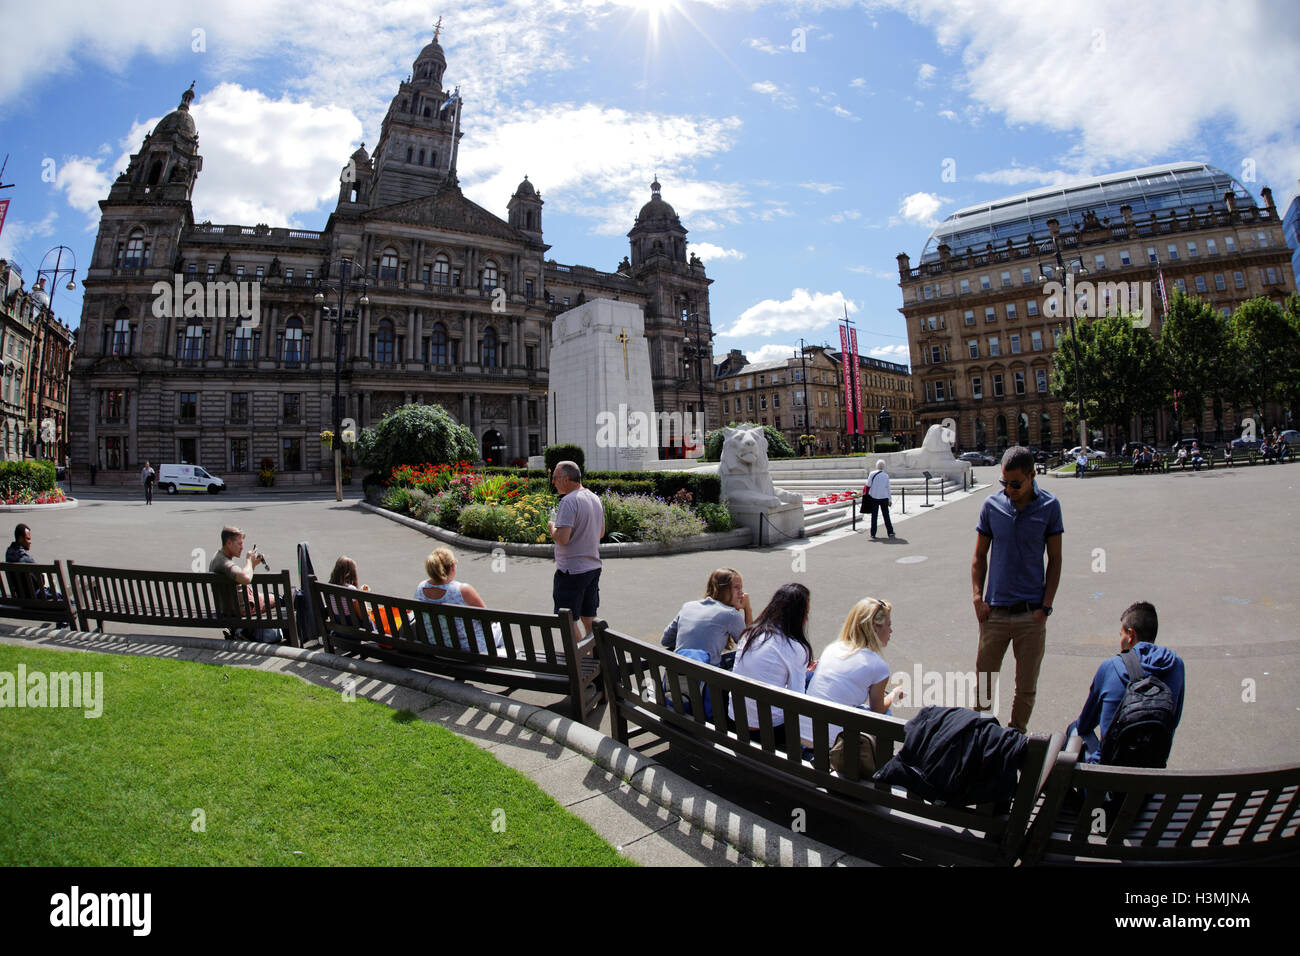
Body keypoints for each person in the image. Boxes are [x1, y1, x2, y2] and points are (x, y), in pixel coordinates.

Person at [971, 446, 1063, 733]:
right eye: (1004, 482)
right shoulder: (991, 506)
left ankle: (1014, 736)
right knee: (983, 686)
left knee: (1026, 688)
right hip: (994, 613)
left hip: (1030, 615)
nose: (1009, 489)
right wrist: (977, 598)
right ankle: (981, 737)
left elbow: (1056, 560)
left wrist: (1045, 607)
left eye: (1015, 483)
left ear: (1032, 475)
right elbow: (978, 557)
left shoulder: (1050, 506)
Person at [1067, 601, 1185, 766]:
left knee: (1074, 729)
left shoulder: (1110, 667)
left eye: (1121, 634)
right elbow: (1173, 720)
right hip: (1151, 775)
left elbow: (1085, 724)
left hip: (1104, 783)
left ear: (1130, 634)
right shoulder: (1176, 666)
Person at [800, 597, 905, 747]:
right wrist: (894, 695)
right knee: (885, 715)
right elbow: (878, 710)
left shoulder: (833, 648)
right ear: (875, 628)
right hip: (831, 750)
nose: (891, 630)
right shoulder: (878, 666)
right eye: (888, 625)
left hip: (798, 739)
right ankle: (879, 765)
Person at [728, 583, 814, 733]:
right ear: (800, 616)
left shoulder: (750, 633)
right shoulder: (795, 647)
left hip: (735, 717)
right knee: (812, 677)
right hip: (768, 729)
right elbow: (797, 700)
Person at [547, 460, 604, 642]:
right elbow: (601, 533)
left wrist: (551, 527)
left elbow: (563, 537)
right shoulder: (594, 498)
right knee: (589, 617)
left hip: (571, 571)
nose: (553, 482)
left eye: (555, 478)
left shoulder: (569, 501)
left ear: (565, 479)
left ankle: (580, 660)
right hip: (592, 567)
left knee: (568, 620)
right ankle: (596, 656)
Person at [414, 546, 501, 653]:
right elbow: (488, 619)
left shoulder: (421, 587)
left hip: (436, 648)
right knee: (499, 628)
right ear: (453, 566)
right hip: (470, 650)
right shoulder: (463, 590)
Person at [661, 568, 751, 667]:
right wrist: (747, 609)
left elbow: (666, 640)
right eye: (736, 587)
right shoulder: (730, 614)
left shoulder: (688, 606)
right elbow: (750, 646)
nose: (741, 593)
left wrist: (692, 645)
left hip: (674, 678)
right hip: (707, 679)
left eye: (741, 588)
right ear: (723, 589)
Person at [209, 525, 282, 643]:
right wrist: (249, 560)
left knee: (272, 596)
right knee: (282, 599)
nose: (242, 548)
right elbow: (246, 578)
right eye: (239, 544)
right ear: (228, 543)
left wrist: (252, 565)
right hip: (242, 609)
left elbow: (241, 578)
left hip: (228, 608)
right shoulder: (224, 563)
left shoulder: (217, 558)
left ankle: (242, 631)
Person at [862, 460, 895, 539]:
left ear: (876, 466)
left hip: (874, 497)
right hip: (884, 497)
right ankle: (890, 531)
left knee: (874, 516)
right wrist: (890, 499)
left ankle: (873, 533)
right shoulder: (886, 475)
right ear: (883, 466)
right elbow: (888, 489)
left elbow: (868, 484)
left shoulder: (872, 474)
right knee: (886, 515)